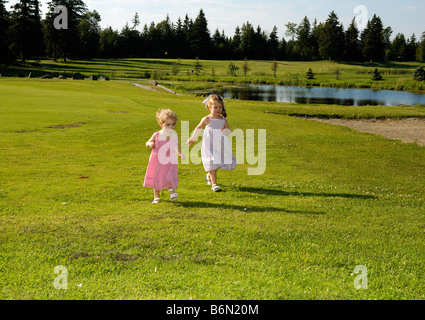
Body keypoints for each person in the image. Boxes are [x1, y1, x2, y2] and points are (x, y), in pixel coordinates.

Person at [186, 94, 236, 192]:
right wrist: (193, 138)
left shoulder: (223, 120)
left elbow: (228, 131)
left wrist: (224, 131)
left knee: (216, 161)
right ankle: (214, 185)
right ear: (209, 107)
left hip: (220, 144)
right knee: (212, 162)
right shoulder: (207, 119)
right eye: (215, 107)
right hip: (209, 145)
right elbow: (198, 127)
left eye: (220, 107)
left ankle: (209, 175)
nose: (218, 110)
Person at [144, 109, 184, 203]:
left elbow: (175, 145)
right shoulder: (157, 134)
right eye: (168, 125)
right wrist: (150, 144)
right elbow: (148, 142)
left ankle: (171, 190)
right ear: (161, 124)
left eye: (173, 124)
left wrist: (179, 153)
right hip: (157, 160)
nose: (171, 127)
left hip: (169, 160)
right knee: (156, 176)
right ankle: (156, 196)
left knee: (169, 175)